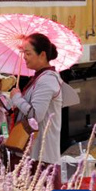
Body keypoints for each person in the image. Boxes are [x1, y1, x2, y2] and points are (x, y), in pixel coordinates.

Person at [9, 33, 64, 183]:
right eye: (24, 53)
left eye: (28, 53)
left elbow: (35, 115)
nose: (24, 58)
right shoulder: (40, 78)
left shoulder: (47, 80)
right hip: (33, 154)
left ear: (42, 55)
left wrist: (17, 98)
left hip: (40, 156)